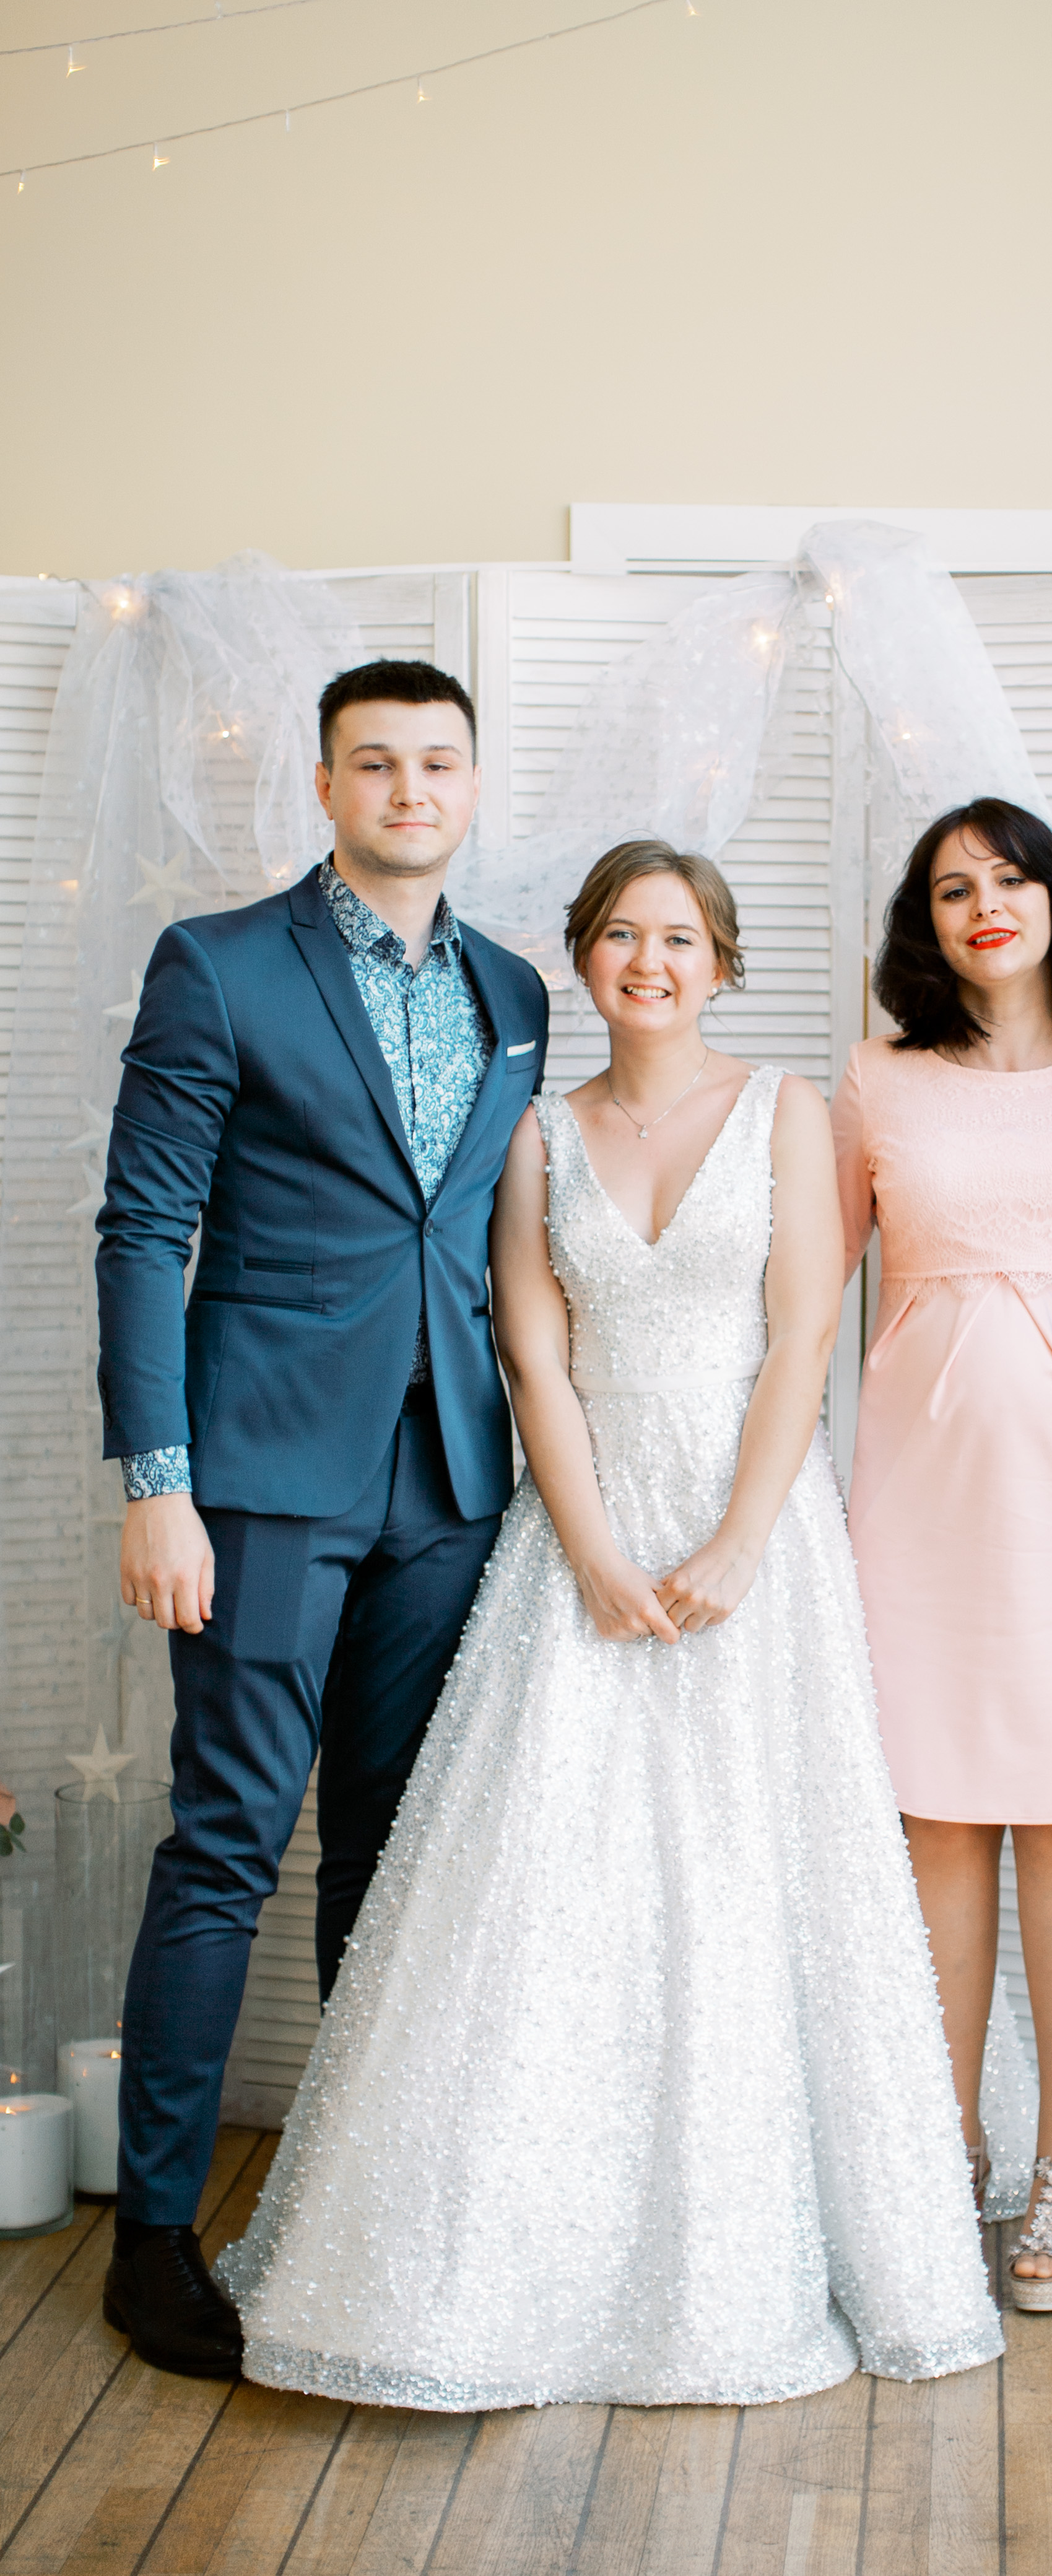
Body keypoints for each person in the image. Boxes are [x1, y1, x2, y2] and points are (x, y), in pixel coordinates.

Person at [214, 840, 1002, 2409]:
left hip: (752, 1542)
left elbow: (803, 1340)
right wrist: (587, 1548)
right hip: (577, 1542)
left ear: (722, 962)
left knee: (749, 1878)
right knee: (546, 1889)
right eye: (623, 936)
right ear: (582, 958)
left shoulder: (787, 1114)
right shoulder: (534, 1134)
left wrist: (736, 1543)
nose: (650, 961)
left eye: (680, 937)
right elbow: (534, 1358)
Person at [93, 659, 549, 2378]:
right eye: (376, 763)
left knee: (388, 1853)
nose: (409, 789)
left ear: (471, 785)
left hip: (450, 1482)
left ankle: (353, 2216)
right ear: (324, 785)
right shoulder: (218, 965)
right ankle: (153, 2235)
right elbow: (145, 1231)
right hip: (262, 1483)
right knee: (227, 1843)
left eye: (437, 763)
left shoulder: (516, 989)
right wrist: (160, 1487)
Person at [833, 798, 1052, 2315]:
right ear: (925, 924)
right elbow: (795, 1292)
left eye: (1010, 877)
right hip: (917, 1493)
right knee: (939, 1824)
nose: (984, 903)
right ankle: (940, 2143)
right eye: (952, 887)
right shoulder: (875, 1081)